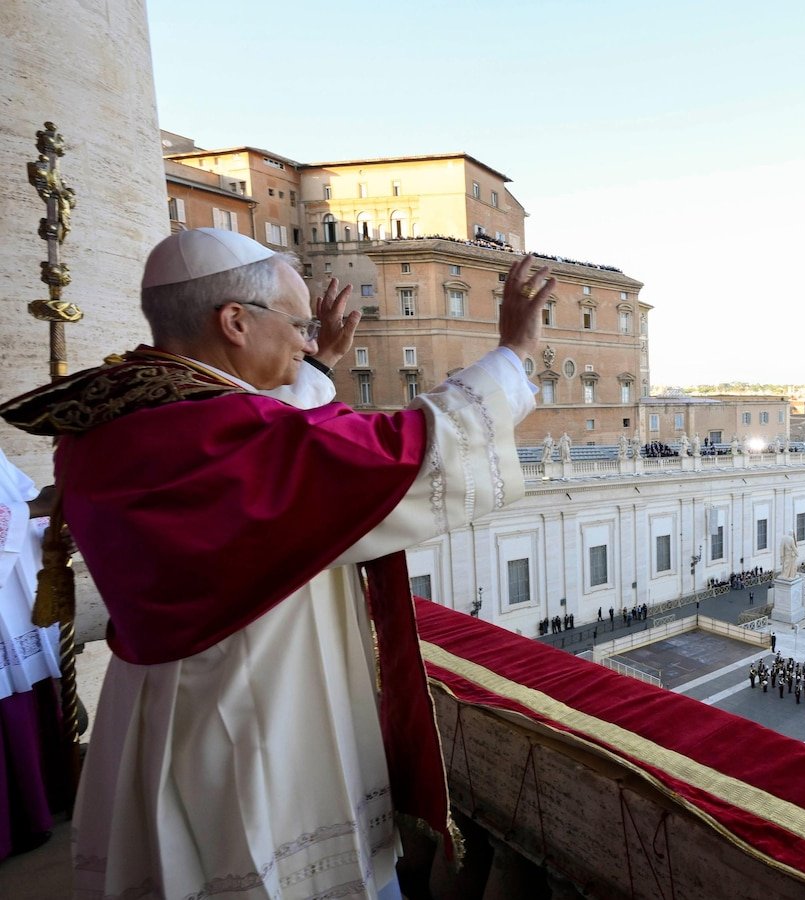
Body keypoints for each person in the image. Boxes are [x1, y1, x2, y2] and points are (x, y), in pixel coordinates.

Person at [0, 228, 556, 900]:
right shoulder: (211, 434)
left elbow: (276, 436)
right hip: (250, 713)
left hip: (170, 703)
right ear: (234, 321)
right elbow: (399, 451)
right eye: (296, 325)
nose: (305, 341)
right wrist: (512, 356)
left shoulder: (129, 411)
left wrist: (313, 370)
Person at [0, 447, 63, 861]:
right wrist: (37, 506)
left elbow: (20, 502)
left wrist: (50, 528)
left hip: (16, 606)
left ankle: (41, 809)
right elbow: (26, 504)